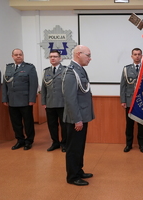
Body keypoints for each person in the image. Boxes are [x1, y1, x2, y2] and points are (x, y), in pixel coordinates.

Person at [62, 45, 95, 186]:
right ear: (78, 54)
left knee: (79, 146)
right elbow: (70, 99)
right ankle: (72, 176)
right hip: (76, 118)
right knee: (73, 148)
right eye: (87, 55)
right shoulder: (70, 73)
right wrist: (77, 120)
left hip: (82, 116)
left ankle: (78, 170)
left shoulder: (79, 70)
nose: (90, 58)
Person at [2, 49, 38, 150]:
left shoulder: (29, 68)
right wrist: (5, 98)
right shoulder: (8, 68)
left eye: (20, 55)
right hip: (12, 100)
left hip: (25, 100)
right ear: (12, 56)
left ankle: (29, 140)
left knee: (28, 122)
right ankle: (20, 140)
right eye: (16, 55)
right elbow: (5, 84)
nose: (18, 56)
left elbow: (33, 84)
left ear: (23, 56)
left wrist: (32, 99)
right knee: (16, 122)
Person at [120, 48, 143, 153]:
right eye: (135, 54)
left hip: (142, 102)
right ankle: (128, 145)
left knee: (141, 125)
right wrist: (123, 100)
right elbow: (123, 85)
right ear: (132, 56)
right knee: (129, 124)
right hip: (130, 100)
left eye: (139, 54)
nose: (137, 56)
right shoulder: (126, 69)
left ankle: (142, 145)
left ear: (141, 56)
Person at [41, 50, 67, 152]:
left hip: (62, 103)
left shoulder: (65, 70)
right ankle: (55, 142)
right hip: (50, 103)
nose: (53, 58)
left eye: (55, 56)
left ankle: (64, 143)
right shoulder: (46, 71)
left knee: (64, 125)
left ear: (60, 58)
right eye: (51, 56)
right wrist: (43, 102)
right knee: (52, 124)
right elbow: (43, 88)